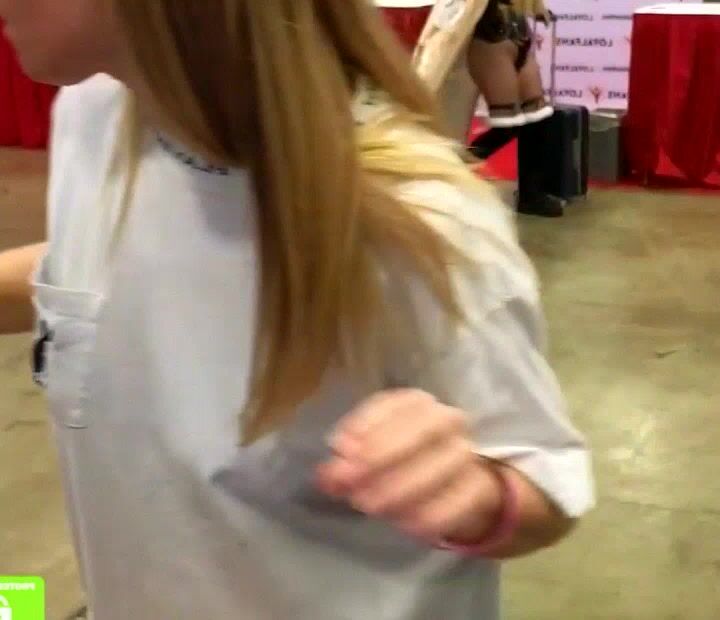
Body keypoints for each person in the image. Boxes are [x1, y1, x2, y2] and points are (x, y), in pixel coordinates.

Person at [0, 1, 594, 618]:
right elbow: (101, 268)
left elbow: (546, 476)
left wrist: (477, 495)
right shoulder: (94, 117)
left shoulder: (422, 225)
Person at [466, 0, 565, 218]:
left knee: (538, 119)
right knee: (507, 126)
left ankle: (531, 196)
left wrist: (536, 8)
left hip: (519, 37)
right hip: (490, 42)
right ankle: (454, 168)